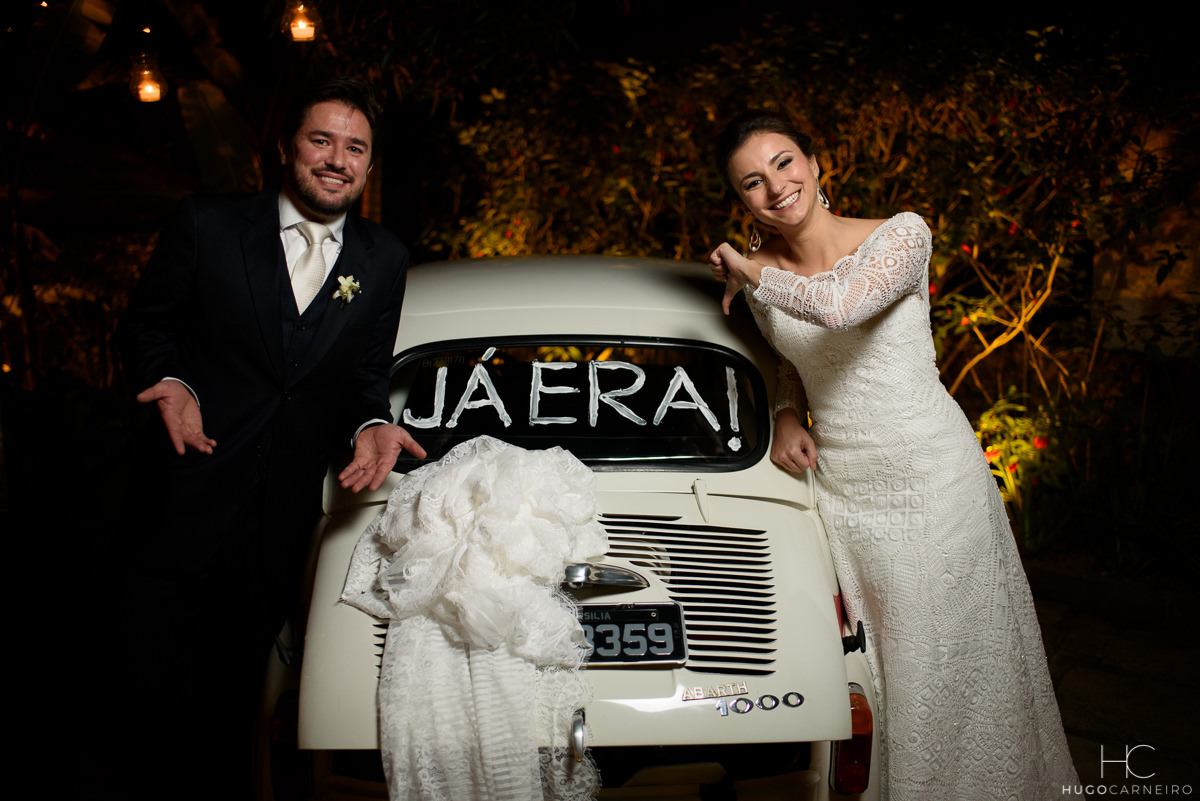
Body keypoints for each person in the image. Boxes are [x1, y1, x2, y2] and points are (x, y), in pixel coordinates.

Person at [707, 112, 1078, 800]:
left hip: (933, 477)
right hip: (846, 490)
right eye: (752, 182)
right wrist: (785, 411)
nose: (775, 187)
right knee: (886, 668)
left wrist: (751, 270)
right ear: (742, 201)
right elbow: (788, 358)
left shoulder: (901, 234)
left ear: (816, 163)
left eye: (784, 163)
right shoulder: (765, 276)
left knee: (955, 659)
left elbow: (841, 306)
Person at [116, 77, 425, 799]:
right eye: (322, 140)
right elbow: (146, 325)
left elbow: (365, 375)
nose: (338, 160)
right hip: (179, 506)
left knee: (236, 715)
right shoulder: (209, 223)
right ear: (287, 147)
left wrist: (372, 423)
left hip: (278, 529)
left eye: (356, 148)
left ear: (369, 164)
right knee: (142, 706)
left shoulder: (384, 258)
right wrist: (171, 380)